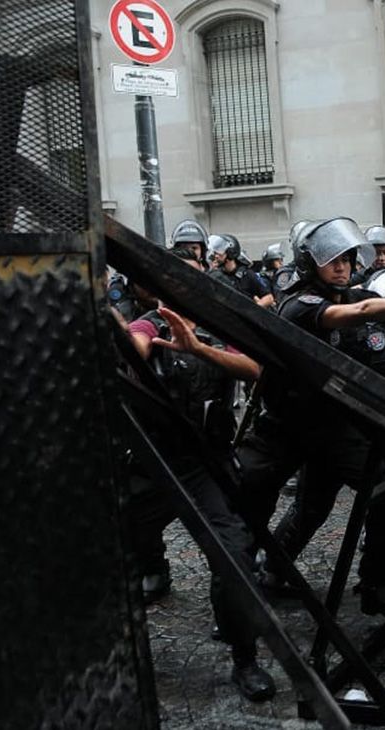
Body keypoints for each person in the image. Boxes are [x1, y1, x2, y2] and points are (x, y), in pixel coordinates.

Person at [237, 217, 385, 624]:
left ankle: (376, 584)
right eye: (332, 261)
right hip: (289, 426)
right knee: (269, 505)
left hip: (332, 424)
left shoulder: (343, 293)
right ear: (310, 263)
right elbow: (363, 310)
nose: (342, 267)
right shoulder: (300, 303)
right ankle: (254, 582)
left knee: (381, 489)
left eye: (346, 259)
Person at [121, 247, 276, 702]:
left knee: (233, 556)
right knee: (112, 547)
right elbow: (136, 340)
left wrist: (198, 348)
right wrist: (135, 348)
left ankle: (244, 657)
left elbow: (254, 368)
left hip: (202, 464)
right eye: (175, 280)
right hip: (150, 461)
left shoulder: (216, 328)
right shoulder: (151, 321)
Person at [207, 234, 275, 307]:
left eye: (219, 251)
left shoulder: (247, 275)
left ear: (230, 251)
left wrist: (251, 311)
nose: (215, 255)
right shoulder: (216, 275)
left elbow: (269, 298)